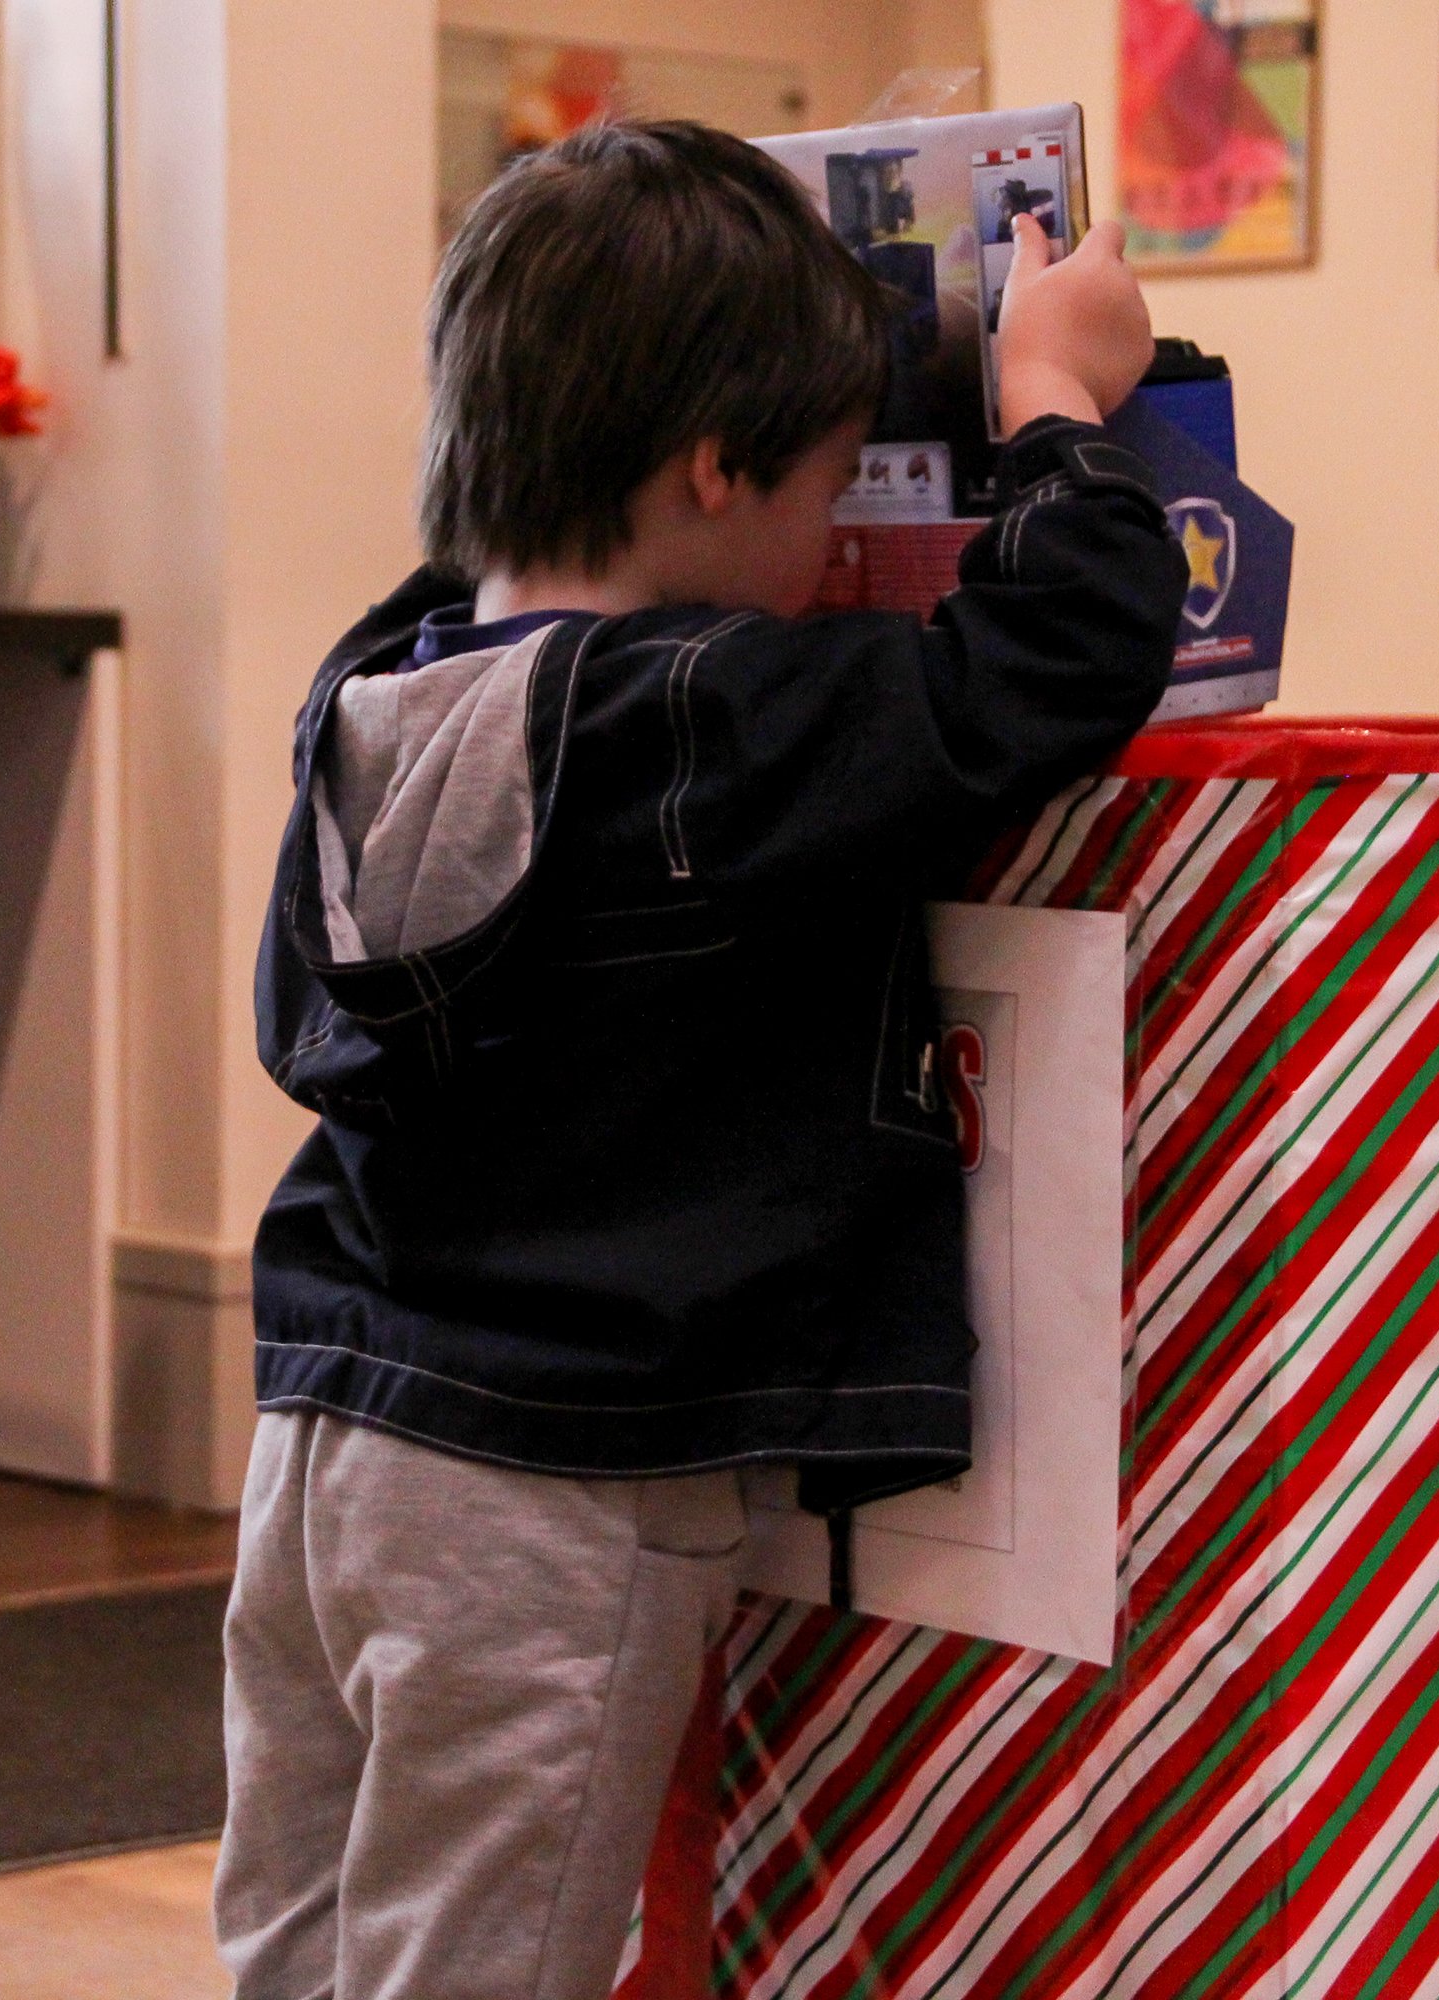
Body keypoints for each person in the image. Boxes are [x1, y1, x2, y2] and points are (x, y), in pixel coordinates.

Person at [217, 119, 1185, 2000]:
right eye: (830, 486)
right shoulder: (702, 718)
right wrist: (1058, 399)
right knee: (486, 1960)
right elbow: (1056, 660)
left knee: (305, 1934)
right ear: (715, 468)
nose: (837, 544)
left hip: (323, 1436)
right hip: (551, 1490)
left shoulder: (380, 695)